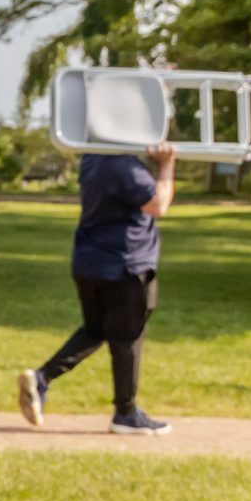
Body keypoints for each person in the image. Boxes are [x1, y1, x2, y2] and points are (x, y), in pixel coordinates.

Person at [20, 143, 176, 435]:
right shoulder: (124, 165)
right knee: (128, 338)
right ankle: (126, 413)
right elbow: (158, 205)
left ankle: (41, 378)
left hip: (90, 262)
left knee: (95, 330)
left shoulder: (92, 157)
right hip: (126, 264)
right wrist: (166, 165)